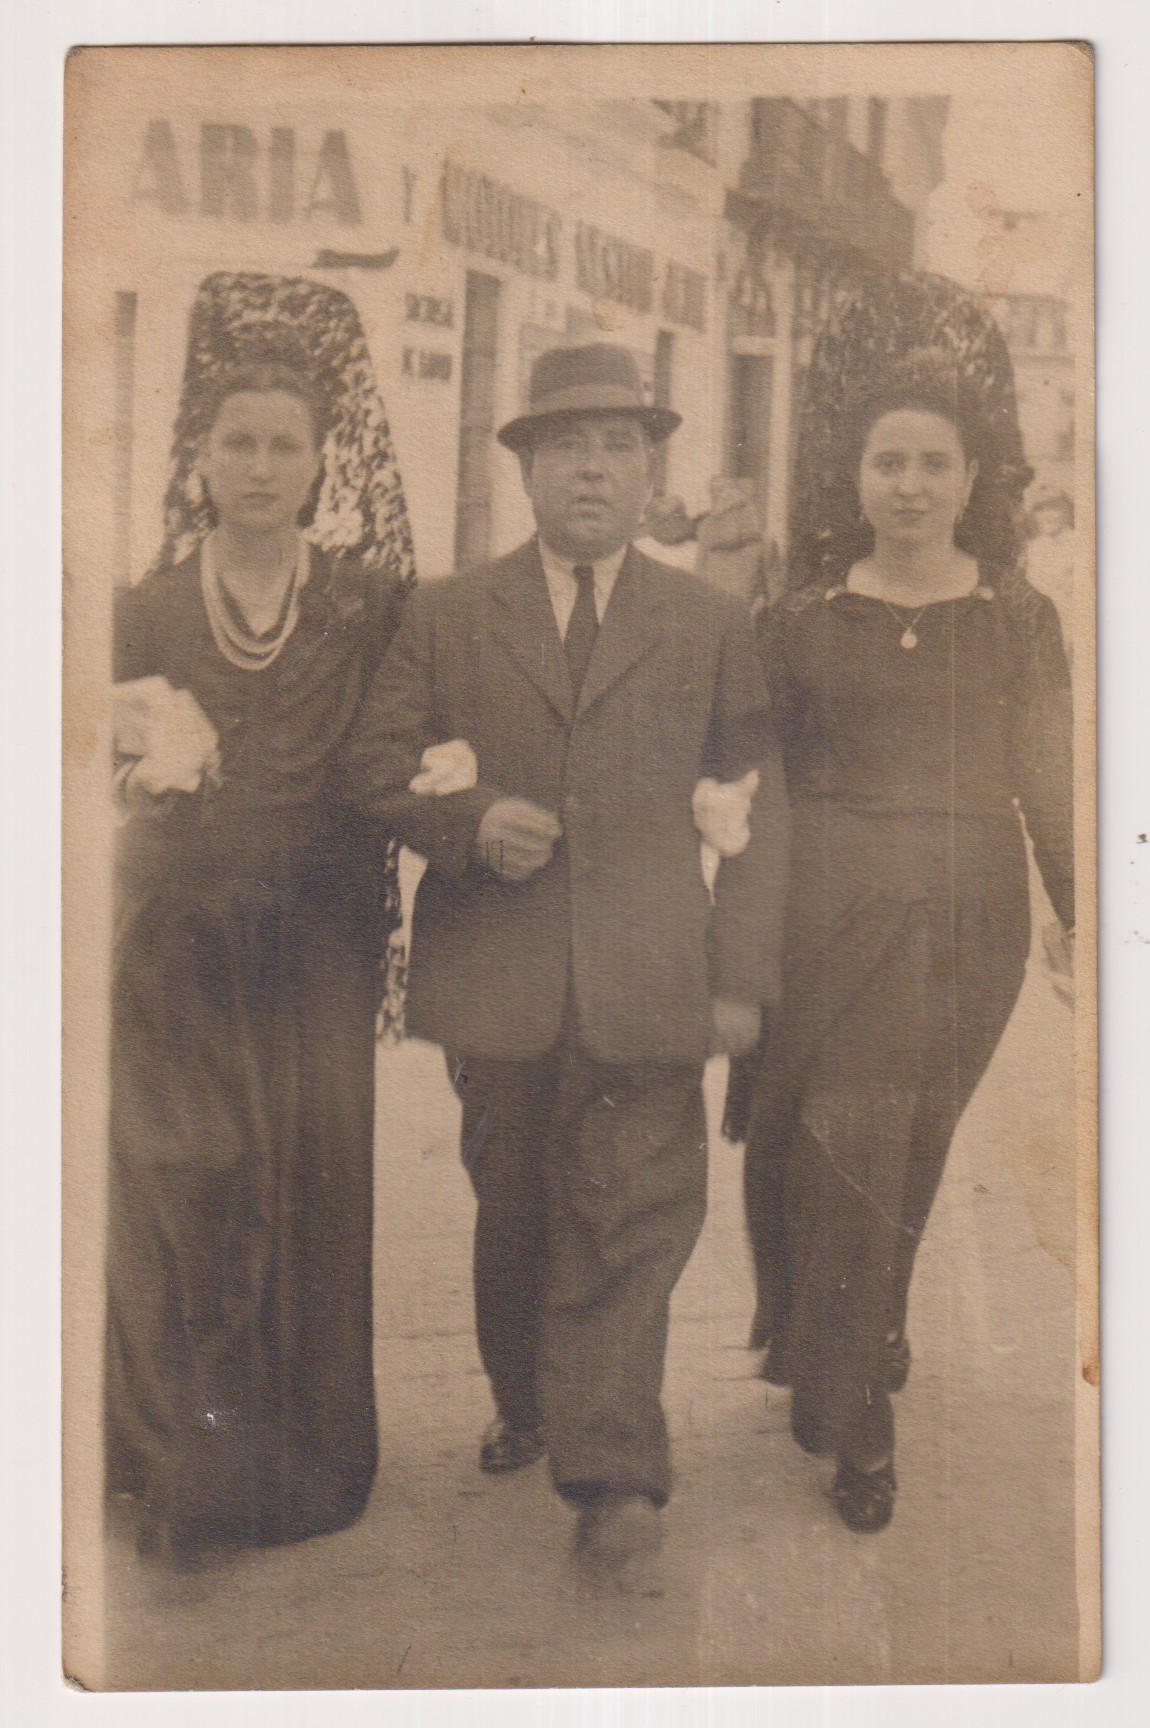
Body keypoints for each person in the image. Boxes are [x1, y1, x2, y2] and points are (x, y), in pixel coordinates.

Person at [339, 342, 790, 1583]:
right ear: (525, 470)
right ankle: (530, 1399)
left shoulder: (708, 620)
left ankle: (614, 1484)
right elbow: (376, 764)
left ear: (652, 475)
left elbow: (759, 802)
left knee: (632, 1217)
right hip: (500, 975)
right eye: (565, 449)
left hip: (650, 974)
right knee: (519, 1208)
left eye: (619, 450)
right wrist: (470, 820)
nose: (593, 472)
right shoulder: (444, 613)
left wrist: (741, 976)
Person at [106, 273, 415, 1567]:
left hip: (320, 948)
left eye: (286, 443)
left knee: (311, 1191)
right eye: (238, 440)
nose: (261, 466)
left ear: (321, 458)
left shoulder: (364, 600)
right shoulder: (148, 604)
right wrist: (137, 764)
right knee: (185, 1189)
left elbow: (404, 748)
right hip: (179, 945)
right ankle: (184, 1465)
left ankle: (298, 1464)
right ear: (203, 452)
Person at [742, 345, 1074, 1534]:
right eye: (889, 461)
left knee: (909, 1145)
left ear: (971, 477)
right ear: (856, 476)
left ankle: (865, 1321)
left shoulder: (1018, 619)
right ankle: (855, 1425)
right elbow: (759, 786)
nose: (910, 484)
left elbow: (1047, 779)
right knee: (845, 1140)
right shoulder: (800, 620)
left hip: (968, 924)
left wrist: (1082, 918)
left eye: (935, 463)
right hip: (828, 913)